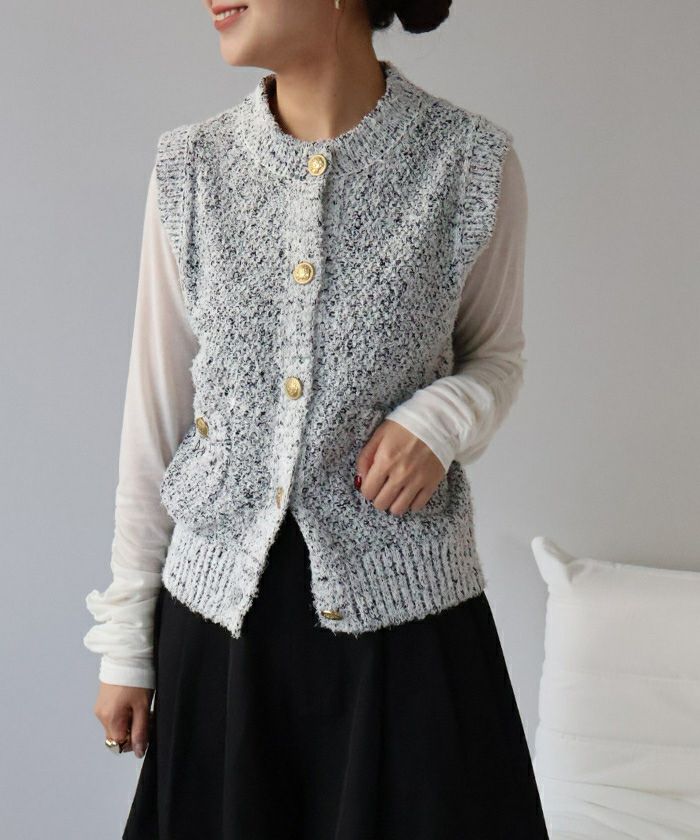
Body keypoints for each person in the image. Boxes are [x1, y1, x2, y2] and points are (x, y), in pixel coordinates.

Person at [83, 1, 550, 837]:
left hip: (404, 632)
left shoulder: (469, 162)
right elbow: (154, 420)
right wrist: (125, 640)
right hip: (222, 636)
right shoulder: (190, 170)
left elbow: (497, 357)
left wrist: (442, 419)